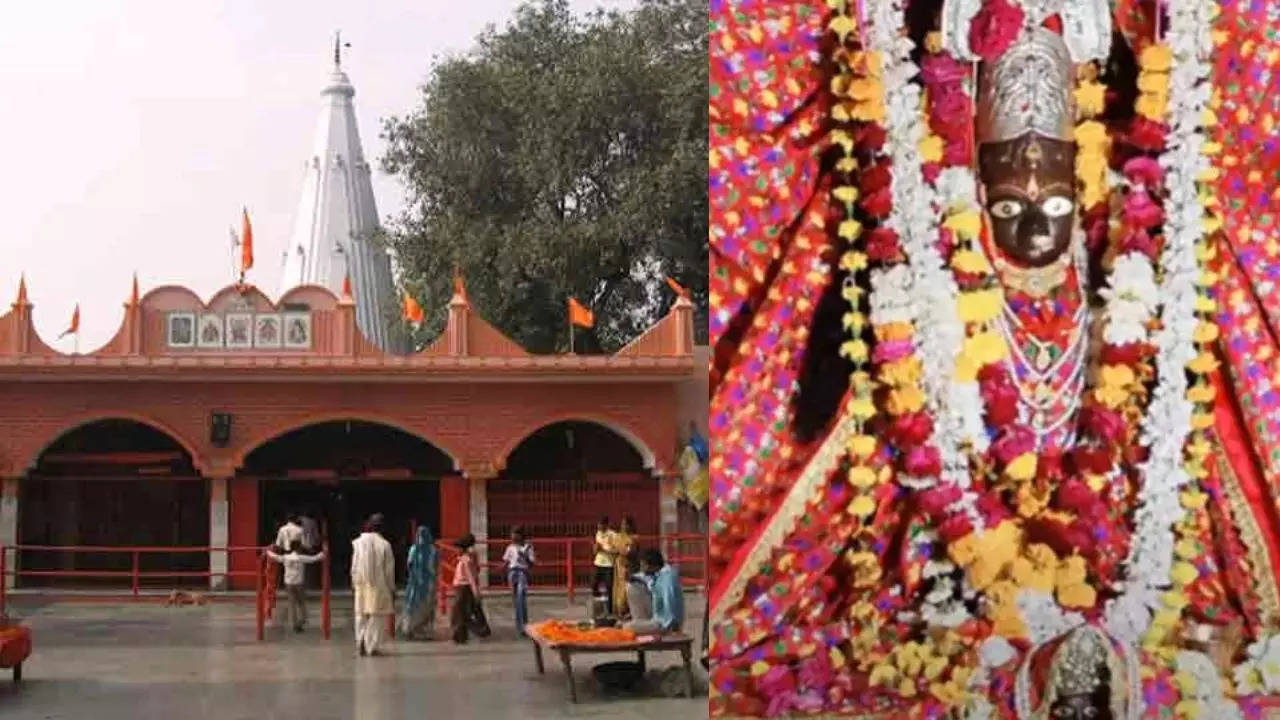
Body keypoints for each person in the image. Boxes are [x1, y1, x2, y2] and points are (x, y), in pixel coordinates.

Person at [350, 513, 395, 656]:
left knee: (361, 614)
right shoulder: (385, 545)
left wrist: (354, 582)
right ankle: (371, 645)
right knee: (378, 616)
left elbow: (354, 565)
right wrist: (392, 588)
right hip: (379, 584)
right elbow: (389, 570)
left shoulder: (358, 543)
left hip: (361, 583)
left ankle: (360, 640)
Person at [265, 540, 324, 633]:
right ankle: (303, 620)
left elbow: (275, 557)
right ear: (299, 548)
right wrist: (322, 553)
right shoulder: (301, 558)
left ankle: (295, 624)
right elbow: (314, 558)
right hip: (299, 583)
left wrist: (268, 551)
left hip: (288, 583)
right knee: (301, 603)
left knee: (292, 604)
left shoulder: (285, 557)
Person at [624, 548, 683, 636]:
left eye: (643, 565)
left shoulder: (667, 579)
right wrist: (633, 578)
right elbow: (644, 580)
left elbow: (670, 601)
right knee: (633, 586)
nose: (642, 569)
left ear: (650, 565)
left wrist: (673, 626)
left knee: (627, 627)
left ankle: (641, 625)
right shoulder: (658, 573)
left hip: (665, 623)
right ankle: (641, 623)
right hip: (656, 617)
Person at [399, 525, 439, 640]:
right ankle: (420, 630)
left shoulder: (415, 549)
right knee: (424, 605)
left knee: (416, 605)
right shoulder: (432, 550)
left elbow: (409, 565)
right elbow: (436, 567)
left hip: (418, 583)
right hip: (426, 583)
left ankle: (414, 629)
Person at [450, 533, 489, 643]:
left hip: (463, 587)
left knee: (459, 614)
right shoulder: (466, 558)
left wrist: (476, 591)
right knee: (463, 612)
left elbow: (471, 576)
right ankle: (462, 636)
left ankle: (478, 631)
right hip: (462, 587)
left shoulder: (466, 560)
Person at [501, 526, 535, 636]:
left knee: (521, 598)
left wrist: (525, 556)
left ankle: (523, 625)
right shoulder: (510, 547)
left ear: (521, 535)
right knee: (516, 599)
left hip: (522, 573)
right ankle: (519, 623)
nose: (513, 536)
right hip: (512, 572)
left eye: (515, 534)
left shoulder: (528, 547)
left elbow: (532, 563)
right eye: (512, 534)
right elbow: (506, 561)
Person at [610, 516, 636, 618]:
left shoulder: (633, 538)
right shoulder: (618, 537)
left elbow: (632, 552)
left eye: (626, 524)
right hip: (619, 565)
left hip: (629, 565)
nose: (624, 526)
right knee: (618, 588)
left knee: (627, 588)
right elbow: (613, 549)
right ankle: (619, 610)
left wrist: (624, 551)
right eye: (623, 524)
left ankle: (628, 610)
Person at [591, 516, 615, 616]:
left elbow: (615, 550)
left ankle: (610, 610)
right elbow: (596, 550)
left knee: (609, 588)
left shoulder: (613, 535)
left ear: (606, 525)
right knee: (593, 584)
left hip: (608, 564)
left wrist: (603, 549)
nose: (599, 526)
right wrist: (595, 549)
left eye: (601, 524)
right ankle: (599, 606)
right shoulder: (598, 534)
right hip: (598, 563)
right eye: (598, 525)